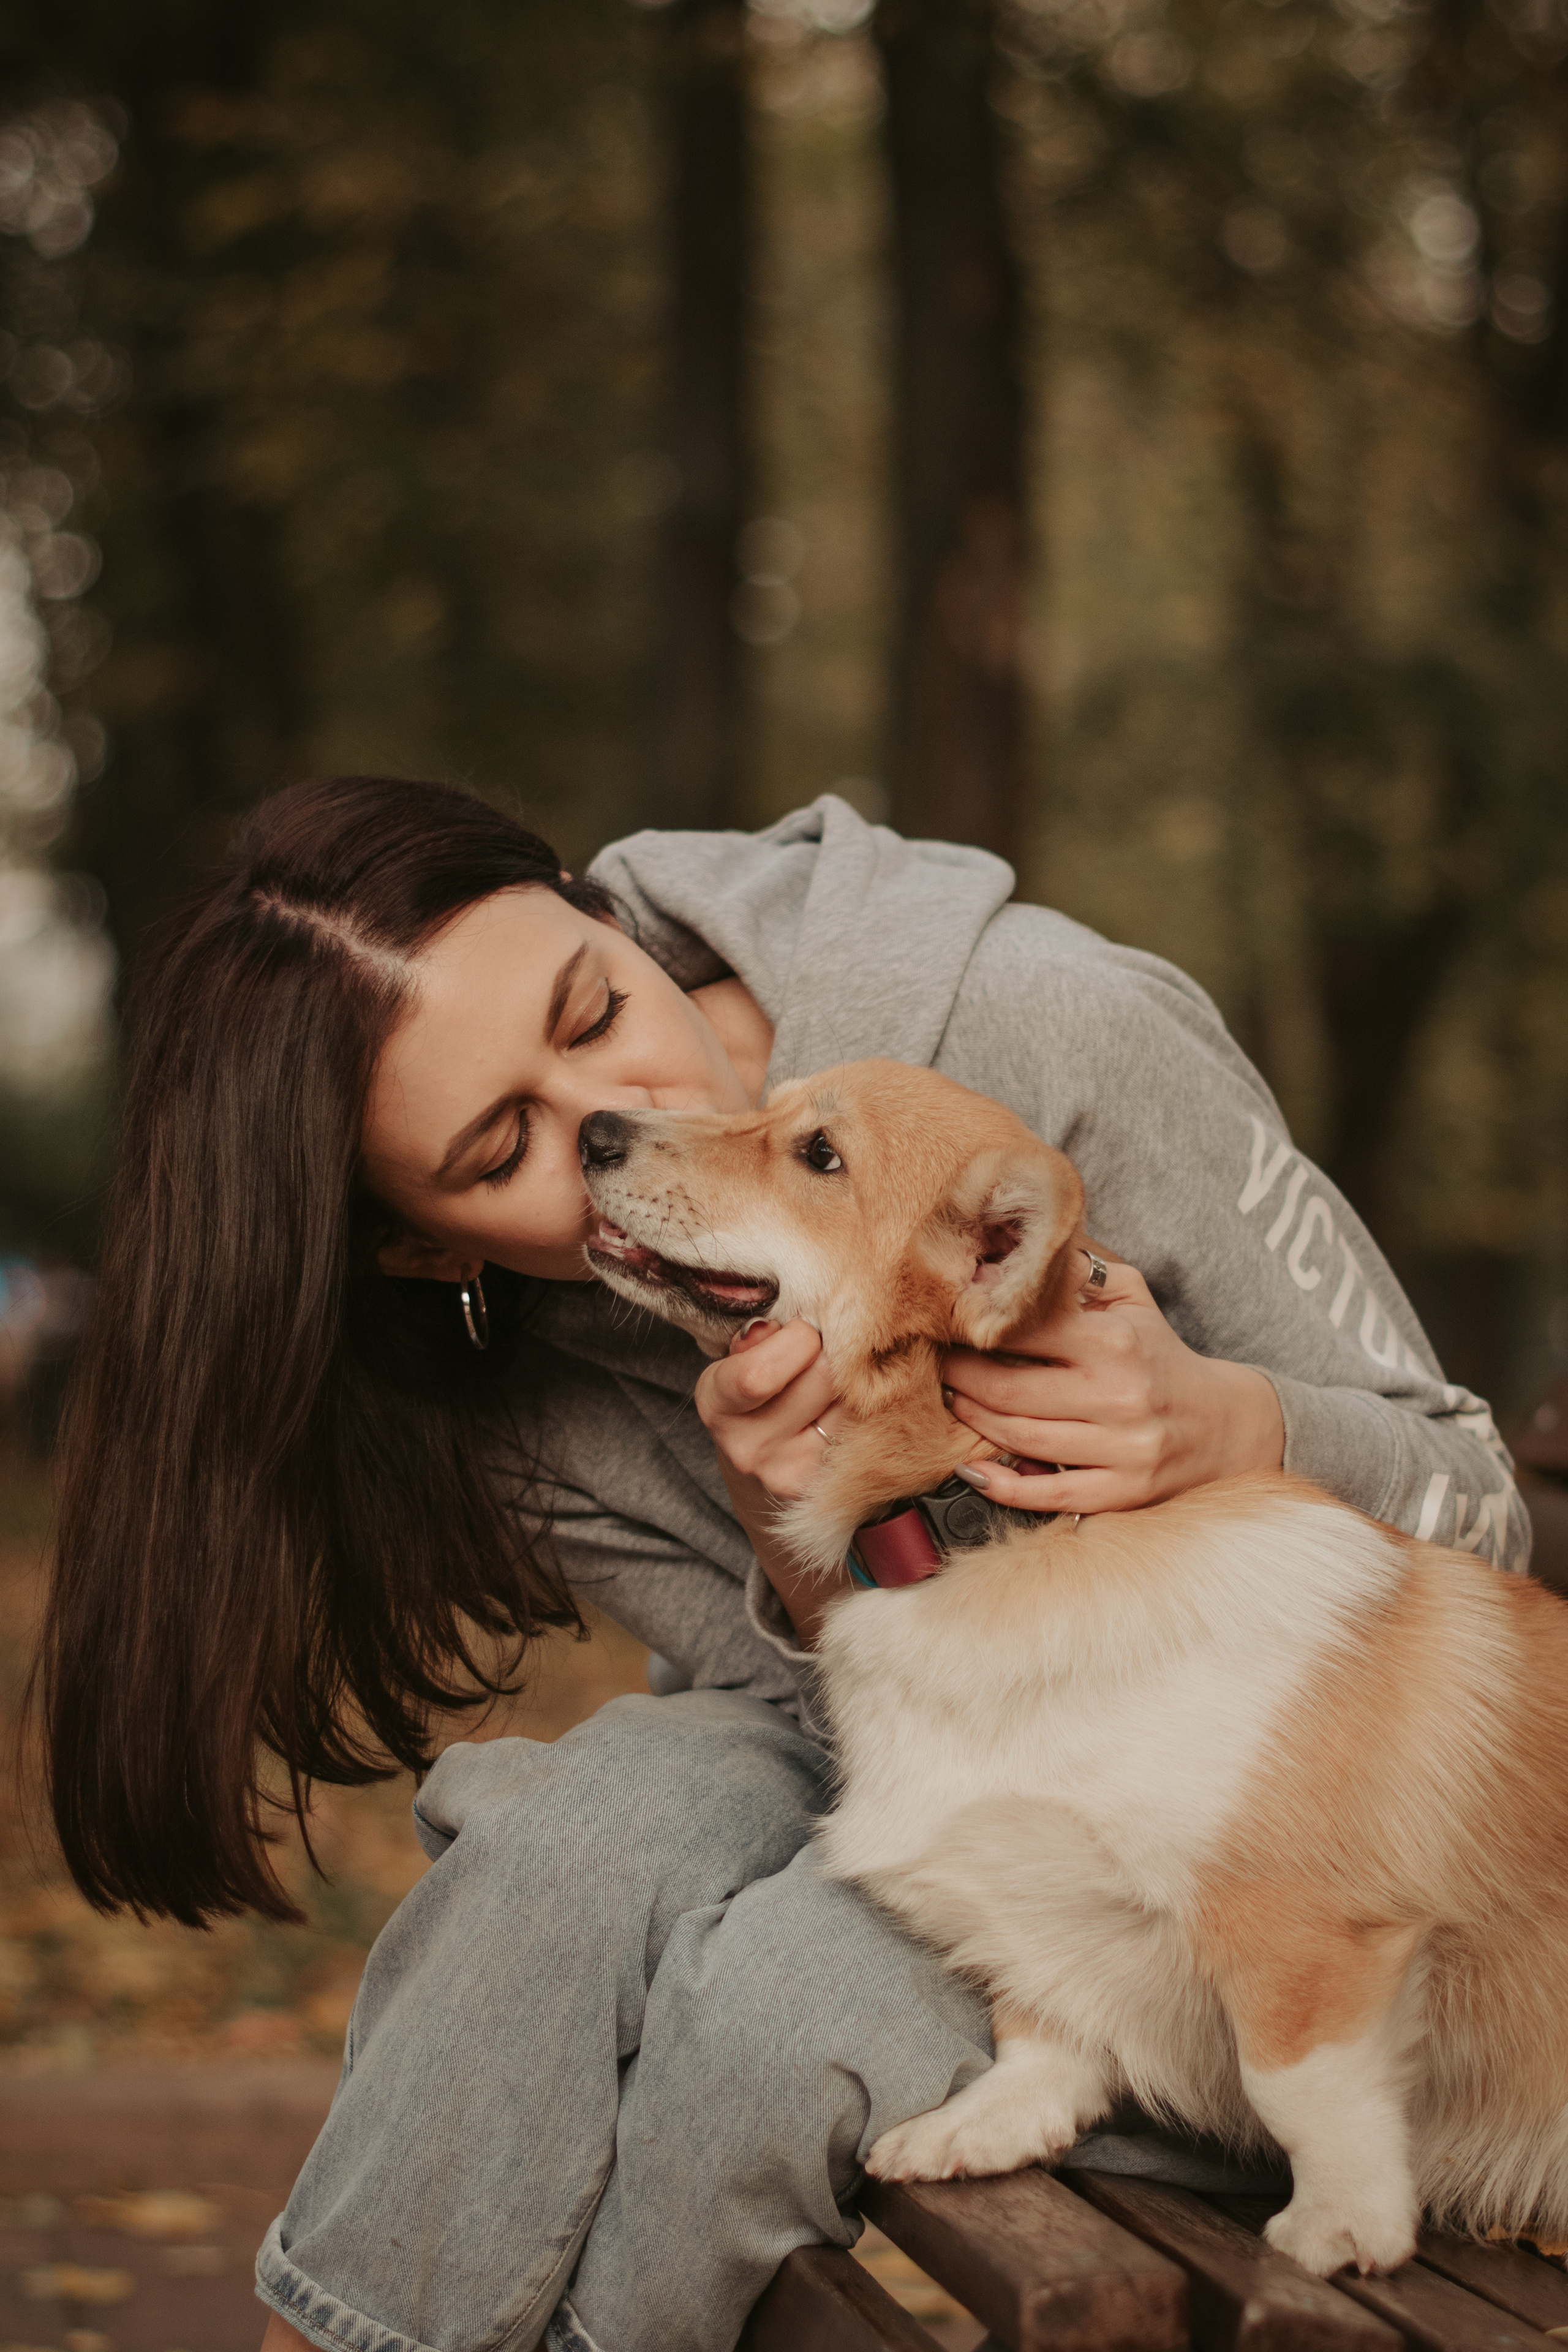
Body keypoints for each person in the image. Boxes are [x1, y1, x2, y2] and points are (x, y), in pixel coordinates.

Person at [40, 776, 1528, 2352]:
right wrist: (793, 1535)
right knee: (570, 1846)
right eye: (500, 1149)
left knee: (773, 1997)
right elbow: (847, 1743)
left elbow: (1481, 1502)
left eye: (592, 1004)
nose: (611, 1115)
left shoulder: (1041, 1021)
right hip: (919, 1755)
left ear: (595, 903)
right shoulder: (514, 1385)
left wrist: (1233, 1420)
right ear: (426, 1248)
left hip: (1232, 1828)